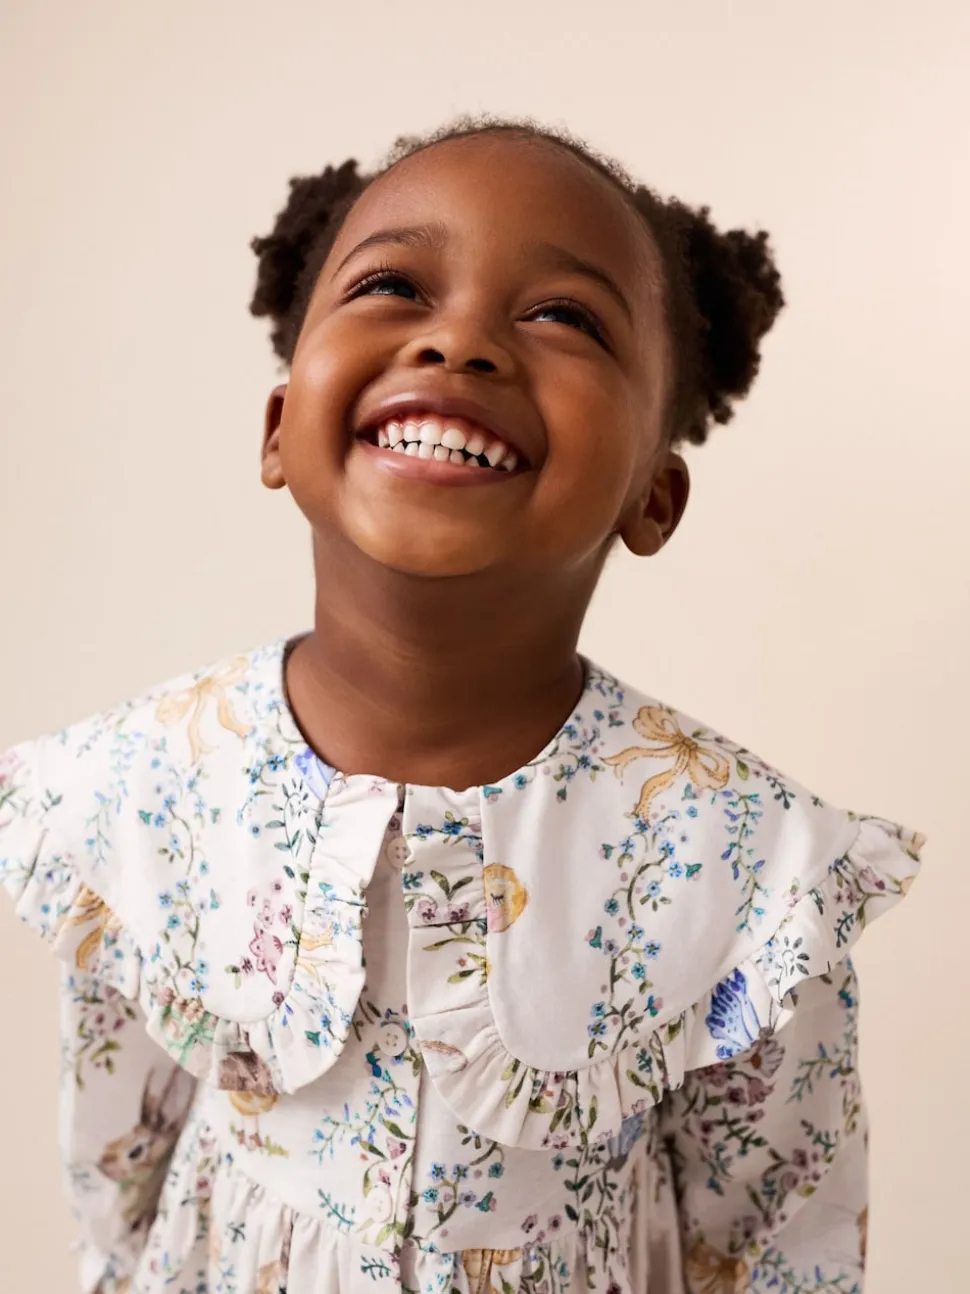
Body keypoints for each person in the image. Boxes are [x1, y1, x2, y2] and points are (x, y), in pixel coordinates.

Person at [0, 118, 923, 1294]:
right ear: (277, 430)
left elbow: (777, 1241)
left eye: (563, 315)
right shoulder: (135, 796)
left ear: (653, 495)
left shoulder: (747, 868)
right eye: (392, 285)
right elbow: (116, 1183)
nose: (459, 341)